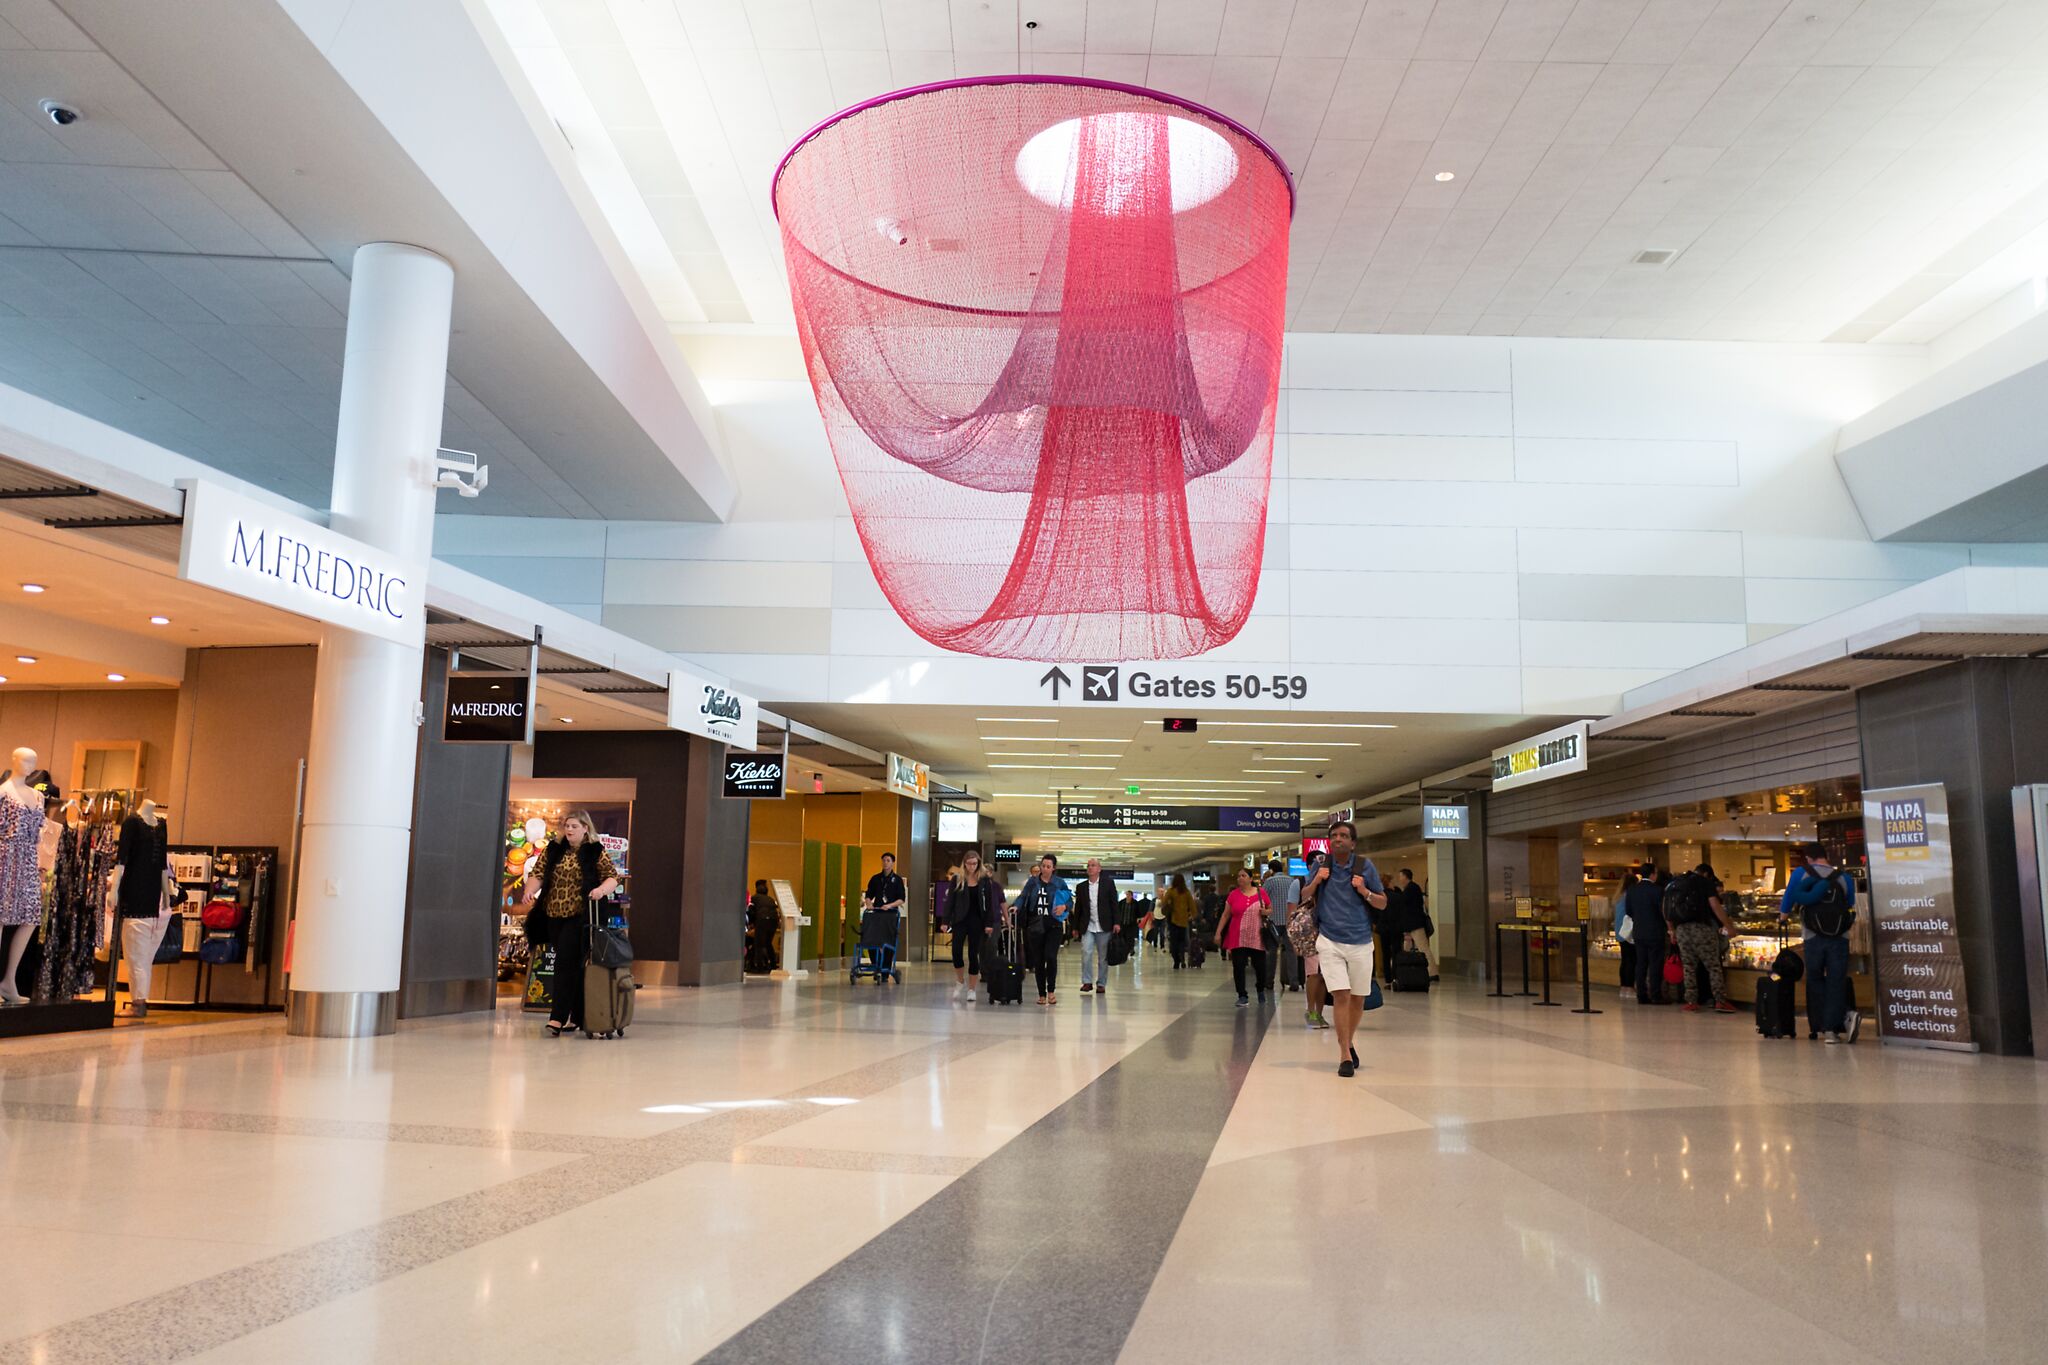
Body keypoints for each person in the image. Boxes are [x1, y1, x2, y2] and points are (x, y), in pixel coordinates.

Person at [1302, 821, 1387, 1076]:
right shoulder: (1321, 864)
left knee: (1358, 998)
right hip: (1329, 940)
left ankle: (1347, 1040)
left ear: (1352, 843)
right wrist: (1317, 880)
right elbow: (1306, 895)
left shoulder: (1364, 866)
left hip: (1361, 940)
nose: (1337, 839)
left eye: (1343, 836)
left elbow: (1382, 903)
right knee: (1341, 995)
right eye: (1333, 836)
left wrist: (1364, 891)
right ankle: (1344, 1056)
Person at [525, 811, 620, 1037]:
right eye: (567, 826)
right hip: (554, 915)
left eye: (574, 826)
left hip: (580, 917)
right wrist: (530, 890)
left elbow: (611, 877)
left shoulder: (595, 851)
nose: (569, 830)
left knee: (564, 963)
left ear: (586, 828)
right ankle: (577, 1016)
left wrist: (600, 890)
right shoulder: (554, 850)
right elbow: (538, 873)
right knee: (574, 966)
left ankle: (557, 1017)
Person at [1780, 842, 1860, 1043]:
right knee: (1836, 980)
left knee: (1815, 978)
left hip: (1813, 937)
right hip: (1839, 937)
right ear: (1825, 856)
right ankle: (1833, 1030)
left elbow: (1789, 898)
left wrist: (1783, 917)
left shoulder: (1801, 873)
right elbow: (1850, 904)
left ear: (1808, 858)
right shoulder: (1844, 877)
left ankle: (1818, 1026)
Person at [1666, 862, 1737, 1014]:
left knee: (1689, 966)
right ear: (1706, 874)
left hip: (1682, 929)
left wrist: (1671, 930)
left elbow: (1666, 908)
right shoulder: (1704, 883)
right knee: (1713, 966)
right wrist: (1728, 926)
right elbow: (1715, 906)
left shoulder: (1676, 883)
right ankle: (1720, 1001)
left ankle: (1691, 1001)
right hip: (1702, 928)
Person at [1012, 854, 1067, 1006]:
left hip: (1054, 925)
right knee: (1039, 960)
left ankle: (1051, 991)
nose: (1045, 869)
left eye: (1048, 866)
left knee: (1051, 956)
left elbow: (1069, 900)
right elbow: (1023, 896)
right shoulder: (1033, 882)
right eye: (1043, 866)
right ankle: (1041, 994)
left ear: (1053, 868)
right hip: (1035, 925)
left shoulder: (1059, 883)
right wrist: (1016, 905)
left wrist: (1064, 906)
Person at [948, 849, 1000, 1000]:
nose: (972, 866)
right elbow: (950, 901)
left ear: (978, 864)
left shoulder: (984, 880)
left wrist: (989, 923)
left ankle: (972, 989)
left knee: (973, 954)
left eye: (975, 863)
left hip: (977, 921)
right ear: (964, 863)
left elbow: (990, 904)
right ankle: (960, 980)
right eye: (969, 863)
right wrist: (945, 921)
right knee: (956, 951)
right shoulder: (957, 879)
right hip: (960, 920)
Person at [1217, 867, 1272, 1007]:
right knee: (1238, 966)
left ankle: (1260, 989)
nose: (1240, 878)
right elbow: (1225, 915)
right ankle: (1242, 995)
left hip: (1257, 936)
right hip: (1238, 936)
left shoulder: (1261, 892)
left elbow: (1271, 909)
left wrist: (1266, 911)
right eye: (1238, 876)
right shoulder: (1233, 895)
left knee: (1260, 967)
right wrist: (1218, 932)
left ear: (1250, 879)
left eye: (1243, 875)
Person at [1072, 858, 1123, 995]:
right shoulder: (1081, 887)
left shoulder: (1108, 884)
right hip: (1087, 925)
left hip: (1104, 925)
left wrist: (1117, 922)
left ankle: (1101, 983)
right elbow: (1078, 908)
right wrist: (1075, 927)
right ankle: (1087, 982)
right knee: (1086, 953)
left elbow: (1114, 905)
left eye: (1093, 865)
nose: (1090, 868)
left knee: (1103, 957)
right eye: (1088, 866)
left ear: (1099, 869)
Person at [1622, 862, 1668, 1005]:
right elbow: (1664, 912)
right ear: (1653, 874)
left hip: (1639, 932)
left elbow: (1628, 911)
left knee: (1641, 963)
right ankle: (1655, 994)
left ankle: (1641, 994)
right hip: (1656, 932)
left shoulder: (1632, 890)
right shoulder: (1658, 890)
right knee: (1655, 964)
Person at [1262, 859, 1300, 991]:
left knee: (1272, 951)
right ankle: (1294, 981)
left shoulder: (1270, 881)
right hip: (1290, 921)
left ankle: (1269, 982)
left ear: (1271, 869)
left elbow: (1262, 899)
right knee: (1291, 952)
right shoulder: (1292, 881)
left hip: (1274, 922)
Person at [1397, 869, 1439, 983]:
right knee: (1412, 947)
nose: (1399, 879)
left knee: (1423, 948)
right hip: (1413, 924)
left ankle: (1432, 972)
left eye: (1401, 876)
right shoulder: (1413, 888)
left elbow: (1408, 909)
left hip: (1414, 925)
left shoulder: (1411, 889)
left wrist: (1406, 928)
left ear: (1406, 877)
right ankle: (1404, 970)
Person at [1160, 873, 1196, 968]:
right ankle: (1182, 959)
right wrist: (1193, 916)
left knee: (1174, 942)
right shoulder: (1186, 892)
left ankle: (1176, 960)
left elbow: (1163, 902)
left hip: (1173, 920)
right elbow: (1192, 905)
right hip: (1183, 921)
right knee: (1182, 941)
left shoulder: (1171, 891)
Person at [1612, 871, 1638, 1000]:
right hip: (1629, 932)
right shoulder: (1630, 896)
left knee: (1625, 960)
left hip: (1620, 932)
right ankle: (1630, 987)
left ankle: (1623, 987)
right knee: (1631, 961)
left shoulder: (1619, 897)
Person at [745, 879, 779, 974]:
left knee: (758, 944)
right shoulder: (770, 899)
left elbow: (750, 912)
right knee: (768, 943)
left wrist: (751, 924)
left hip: (762, 920)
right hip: (773, 921)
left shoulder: (754, 898)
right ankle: (773, 964)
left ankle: (759, 967)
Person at [863, 852, 906, 922]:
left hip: (891, 913)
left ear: (892, 863)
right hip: (877, 912)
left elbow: (901, 899)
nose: (885, 862)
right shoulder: (875, 878)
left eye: (888, 860)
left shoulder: (897, 880)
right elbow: (868, 894)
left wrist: (889, 906)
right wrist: (869, 904)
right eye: (884, 860)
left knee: (889, 932)